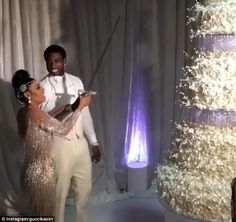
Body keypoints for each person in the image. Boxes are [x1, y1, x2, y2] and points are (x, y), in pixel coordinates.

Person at [11, 69, 91, 217]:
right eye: (37, 87)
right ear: (28, 95)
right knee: (46, 214)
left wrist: (71, 107)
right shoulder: (34, 113)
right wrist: (80, 107)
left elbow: (49, 123)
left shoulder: (25, 112)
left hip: (34, 171)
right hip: (41, 174)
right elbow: (63, 130)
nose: (42, 89)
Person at [40, 44, 101, 222]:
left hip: (80, 142)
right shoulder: (42, 86)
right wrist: (75, 104)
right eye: (49, 61)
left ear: (65, 61)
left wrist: (94, 142)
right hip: (59, 144)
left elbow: (85, 112)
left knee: (85, 191)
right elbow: (52, 119)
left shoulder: (77, 81)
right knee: (59, 193)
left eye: (57, 60)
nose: (53, 65)